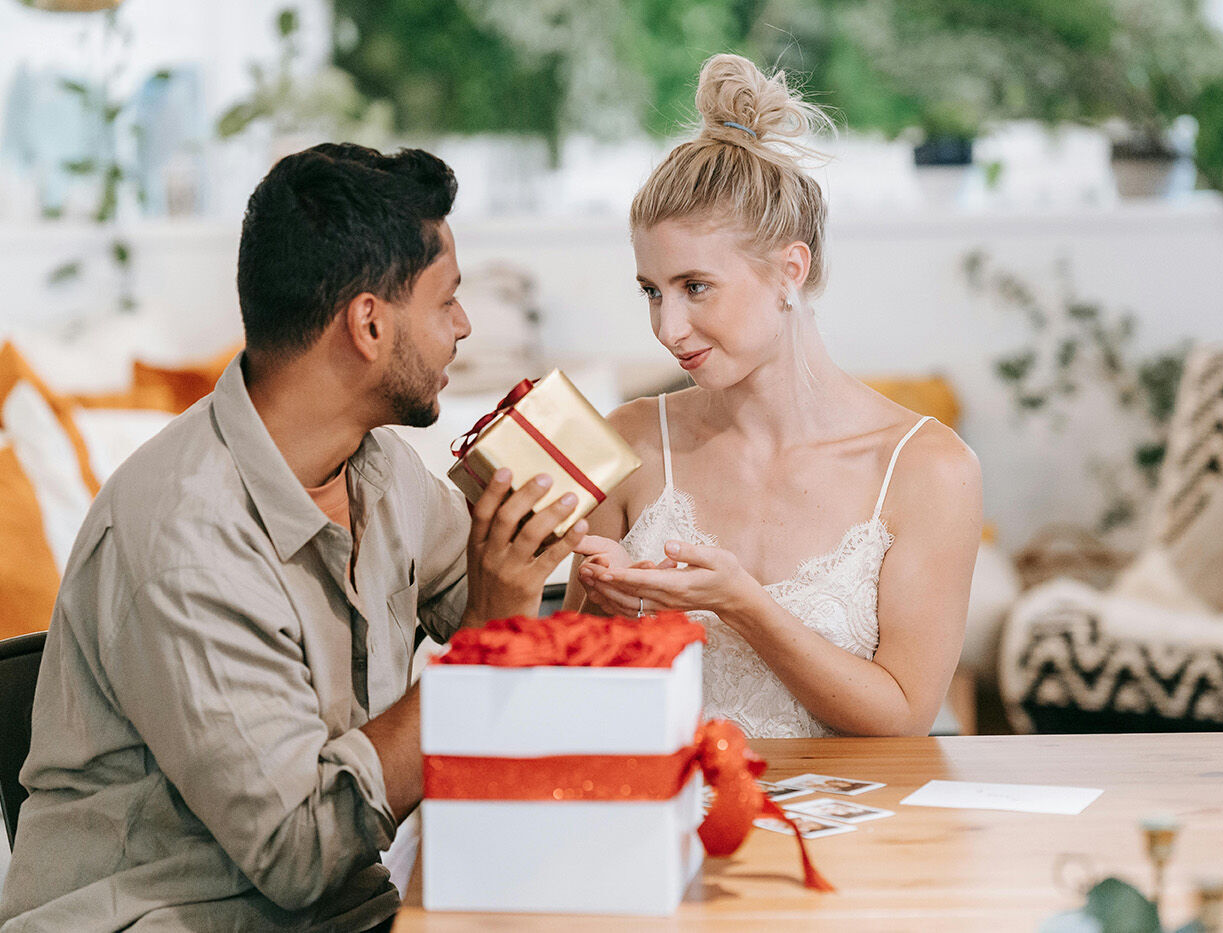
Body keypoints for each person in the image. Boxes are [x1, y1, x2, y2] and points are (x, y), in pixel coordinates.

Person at [0, 143, 584, 931]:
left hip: (345, 909)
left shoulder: (379, 470)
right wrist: (490, 643)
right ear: (368, 324)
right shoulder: (185, 540)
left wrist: (584, 591)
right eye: (446, 299)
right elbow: (298, 851)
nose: (465, 325)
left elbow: (501, 609)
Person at [565, 54, 982, 739]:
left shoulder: (928, 469)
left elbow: (904, 714)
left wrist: (744, 606)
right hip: (652, 824)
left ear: (790, 269)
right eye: (651, 291)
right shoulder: (630, 441)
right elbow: (569, 693)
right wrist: (604, 610)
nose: (668, 328)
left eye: (696, 286)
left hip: (852, 836)